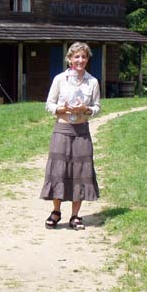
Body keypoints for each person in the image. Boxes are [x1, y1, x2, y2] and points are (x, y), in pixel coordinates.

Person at [40, 42, 101, 230]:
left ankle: (75, 216)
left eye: (84, 57)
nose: (80, 60)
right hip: (62, 129)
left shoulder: (93, 81)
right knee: (59, 171)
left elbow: (97, 107)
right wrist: (62, 108)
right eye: (76, 57)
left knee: (81, 173)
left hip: (82, 131)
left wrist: (86, 109)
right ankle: (56, 212)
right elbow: (49, 104)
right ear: (69, 59)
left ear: (87, 59)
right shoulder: (60, 79)